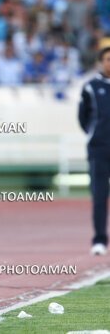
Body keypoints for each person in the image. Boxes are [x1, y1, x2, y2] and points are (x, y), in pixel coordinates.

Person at [78, 46, 110, 256]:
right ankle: (99, 240)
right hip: (99, 149)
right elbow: (82, 118)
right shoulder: (91, 86)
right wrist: (95, 135)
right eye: (108, 59)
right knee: (99, 196)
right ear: (101, 61)